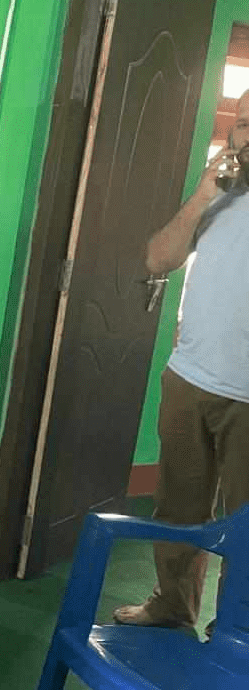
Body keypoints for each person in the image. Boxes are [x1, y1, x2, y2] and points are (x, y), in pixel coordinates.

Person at [113, 89, 249, 632]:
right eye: (244, 123)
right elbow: (158, 259)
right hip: (190, 379)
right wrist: (201, 195)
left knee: (245, 525)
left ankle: (236, 630)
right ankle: (172, 607)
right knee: (177, 508)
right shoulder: (217, 195)